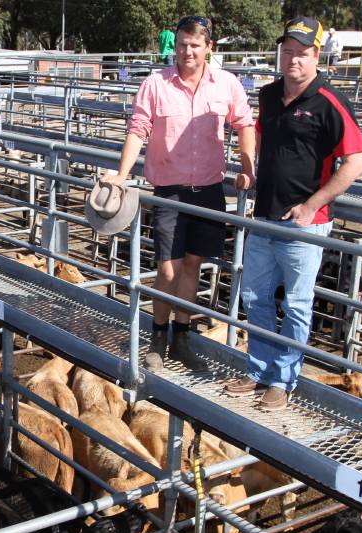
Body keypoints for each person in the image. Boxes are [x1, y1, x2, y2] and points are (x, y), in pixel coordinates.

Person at [223, 16, 362, 410]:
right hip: (265, 214)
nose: (293, 60)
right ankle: (260, 371)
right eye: (288, 51)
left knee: (298, 304)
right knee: (255, 295)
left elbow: (355, 161)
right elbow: (258, 135)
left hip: (305, 223)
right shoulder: (269, 96)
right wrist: (249, 168)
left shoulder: (330, 102)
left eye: (302, 54)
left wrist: (313, 205)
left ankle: (283, 379)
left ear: (316, 56)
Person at [105, 15, 257, 371]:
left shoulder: (227, 85)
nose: (187, 52)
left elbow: (245, 123)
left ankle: (181, 337)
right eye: (183, 44)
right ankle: (157, 336)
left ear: (208, 48)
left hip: (208, 190)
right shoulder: (156, 84)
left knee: (192, 265)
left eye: (195, 45)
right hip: (169, 191)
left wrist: (248, 169)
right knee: (168, 270)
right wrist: (122, 174)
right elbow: (138, 128)